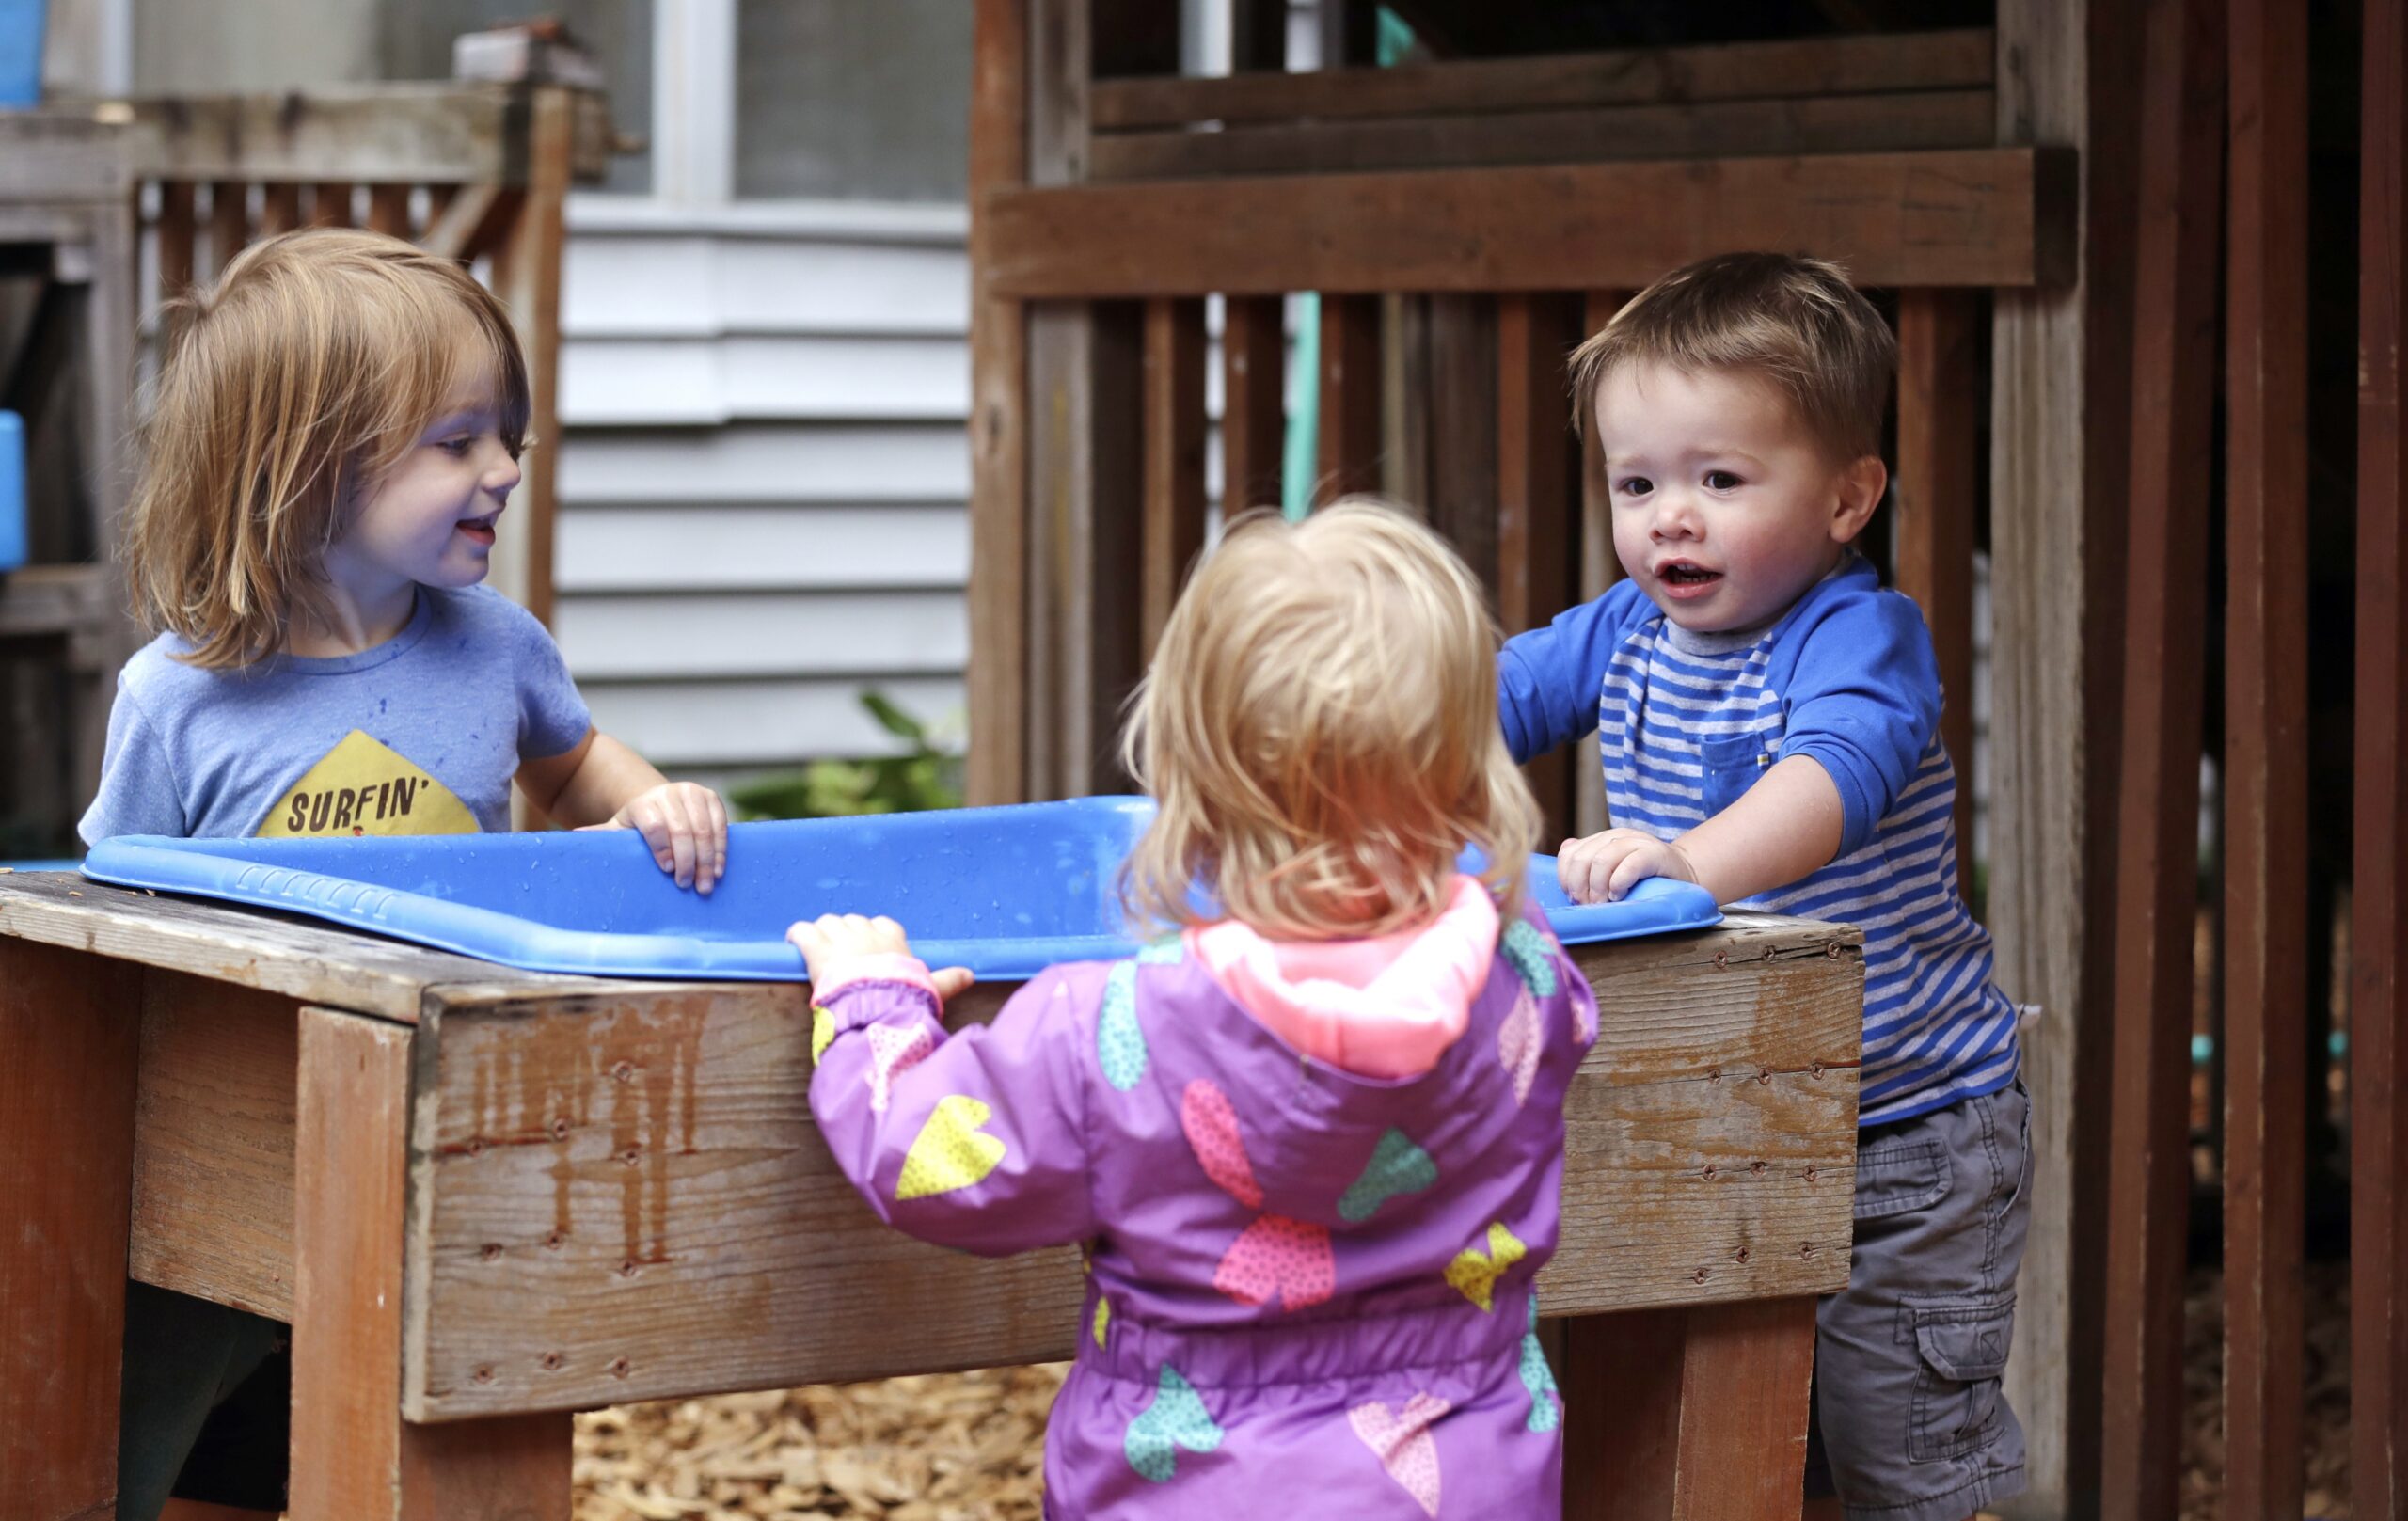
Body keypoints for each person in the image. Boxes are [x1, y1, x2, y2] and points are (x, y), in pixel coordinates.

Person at [82, 227, 729, 1520]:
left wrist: (647, 801)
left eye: (507, 437)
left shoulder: (496, 647)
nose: (502, 472)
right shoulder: (182, 702)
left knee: (420, 1429)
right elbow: (109, 930)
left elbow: (571, 761)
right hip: (240, 1141)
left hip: (447, 1121)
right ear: (306, 464)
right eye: (457, 442)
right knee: (174, 1440)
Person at [790, 502, 1594, 1518]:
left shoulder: (1113, 1027)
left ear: (1196, 788)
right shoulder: (1529, 977)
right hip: (1464, 1483)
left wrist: (873, 1006)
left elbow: (926, 1157)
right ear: (1469, 775)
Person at [1497, 251, 2029, 1521]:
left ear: (1850, 496)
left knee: (1904, 1451)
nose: (1669, 517)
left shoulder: (1858, 636)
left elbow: (1828, 780)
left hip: (1899, 1130)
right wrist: (1367, 768)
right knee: (1737, 1441)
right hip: (1731, 1100)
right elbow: (1484, 700)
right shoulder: (1623, 630)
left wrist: (1689, 861)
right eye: (1638, 483)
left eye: (1720, 480)